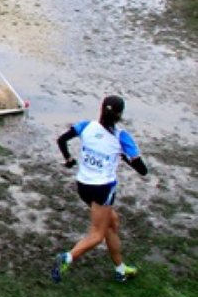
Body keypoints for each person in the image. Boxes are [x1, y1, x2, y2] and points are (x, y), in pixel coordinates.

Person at [51, 96, 149, 284]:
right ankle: (68, 257)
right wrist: (124, 156)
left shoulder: (86, 126)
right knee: (97, 234)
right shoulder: (121, 137)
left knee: (112, 222)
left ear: (102, 109)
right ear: (120, 115)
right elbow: (143, 171)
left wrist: (69, 159)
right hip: (103, 190)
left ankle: (120, 270)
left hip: (83, 186)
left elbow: (62, 140)